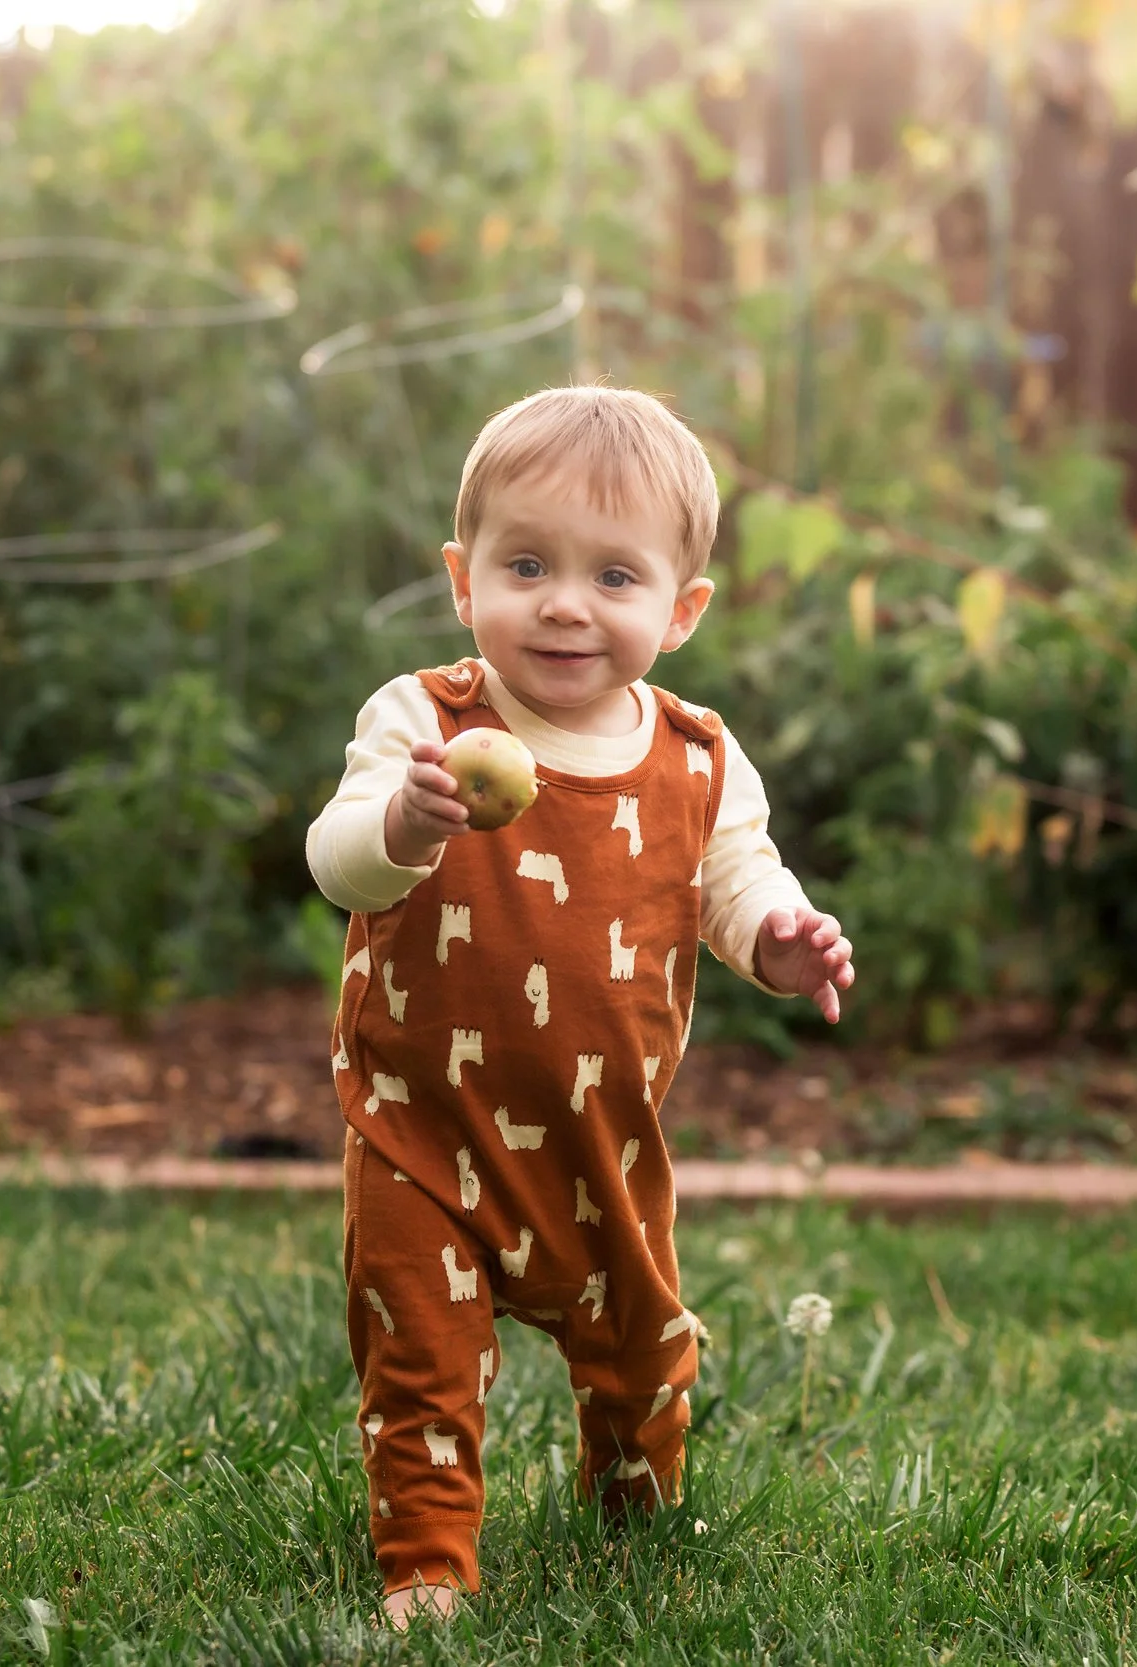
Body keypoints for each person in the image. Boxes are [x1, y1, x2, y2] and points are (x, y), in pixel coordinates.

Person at [306, 384, 855, 1629]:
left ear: (681, 608)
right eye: (527, 563)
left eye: (614, 576)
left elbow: (736, 887)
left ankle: (638, 1513)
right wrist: (400, 822)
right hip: (419, 1124)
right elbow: (336, 856)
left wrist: (781, 938)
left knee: (643, 1350)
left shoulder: (700, 758)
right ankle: (429, 1565)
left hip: (598, 1136)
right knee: (418, 1357)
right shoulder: (424, 725)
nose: (563, 602)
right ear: (463, 579)